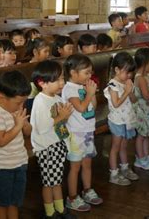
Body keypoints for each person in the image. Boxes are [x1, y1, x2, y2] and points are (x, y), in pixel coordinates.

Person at [30, 60, 75, 219]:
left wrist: (65, 117)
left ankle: (61, 209)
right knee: (49, 183)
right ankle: (50, 213)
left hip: (57, 144)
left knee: (56, 181)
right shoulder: (40, 101)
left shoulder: (55, 98)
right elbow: (42, 127)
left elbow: (60, 122)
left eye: (62, 78)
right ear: (42, 83)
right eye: (57, 80)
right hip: (47, 148)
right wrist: (62, 116)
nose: (62, 83)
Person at [0, 70, 32, 219]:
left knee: (14, 202)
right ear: (2, 96)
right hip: (2, 168)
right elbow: (1, 141)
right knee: (2, 204)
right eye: (18, 102)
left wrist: (24, 125)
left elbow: (28, 132)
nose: (21, 106)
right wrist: (18, 126)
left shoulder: (15, 109)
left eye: (23, 102)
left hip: (19, 163)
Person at [62, 54, 103, 212]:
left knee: (87, 163)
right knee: (75, 167)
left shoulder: (82, 87)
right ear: (73, 73)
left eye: (90, 73)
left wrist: (91, 94)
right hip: (75, 134)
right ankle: (71, 198)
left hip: (87, 131)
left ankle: (87, 190)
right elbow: (80, 107)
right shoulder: (69, 88)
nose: (89, 76)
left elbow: (93, 105)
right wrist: (90, 93)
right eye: (86, 72)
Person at [104, 52, 139, 186]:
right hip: (117, 120)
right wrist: (126, 91)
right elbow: (116, 103)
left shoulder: (127, 83)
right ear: (117, 70)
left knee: (124, 146)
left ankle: (125, 169)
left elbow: (134, 100)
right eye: (126, 72)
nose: (129, 76)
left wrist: (130, 91)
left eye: (131, 73)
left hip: (127, 119)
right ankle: (113, 173)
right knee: (115, 147)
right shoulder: (113, 85)